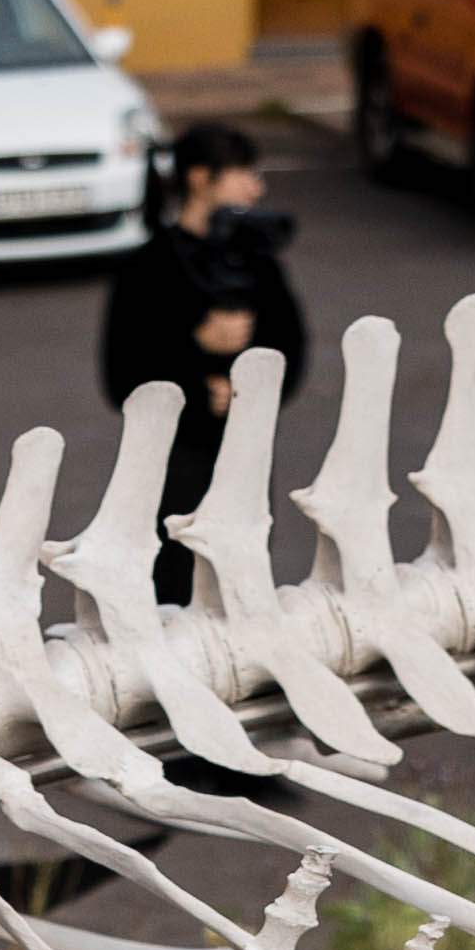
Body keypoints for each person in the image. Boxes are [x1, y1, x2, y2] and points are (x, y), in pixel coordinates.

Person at [96, 121, 308, 608]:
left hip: (245, 453)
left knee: (244, 580)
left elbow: (291, 349)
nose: (256, 188)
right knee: (175, 584)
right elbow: (122, 374)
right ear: (200, 178)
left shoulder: (257, 261)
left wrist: (244, 393)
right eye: (243, 174)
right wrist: (194, 355)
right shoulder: (147, 267)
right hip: (172, 460)